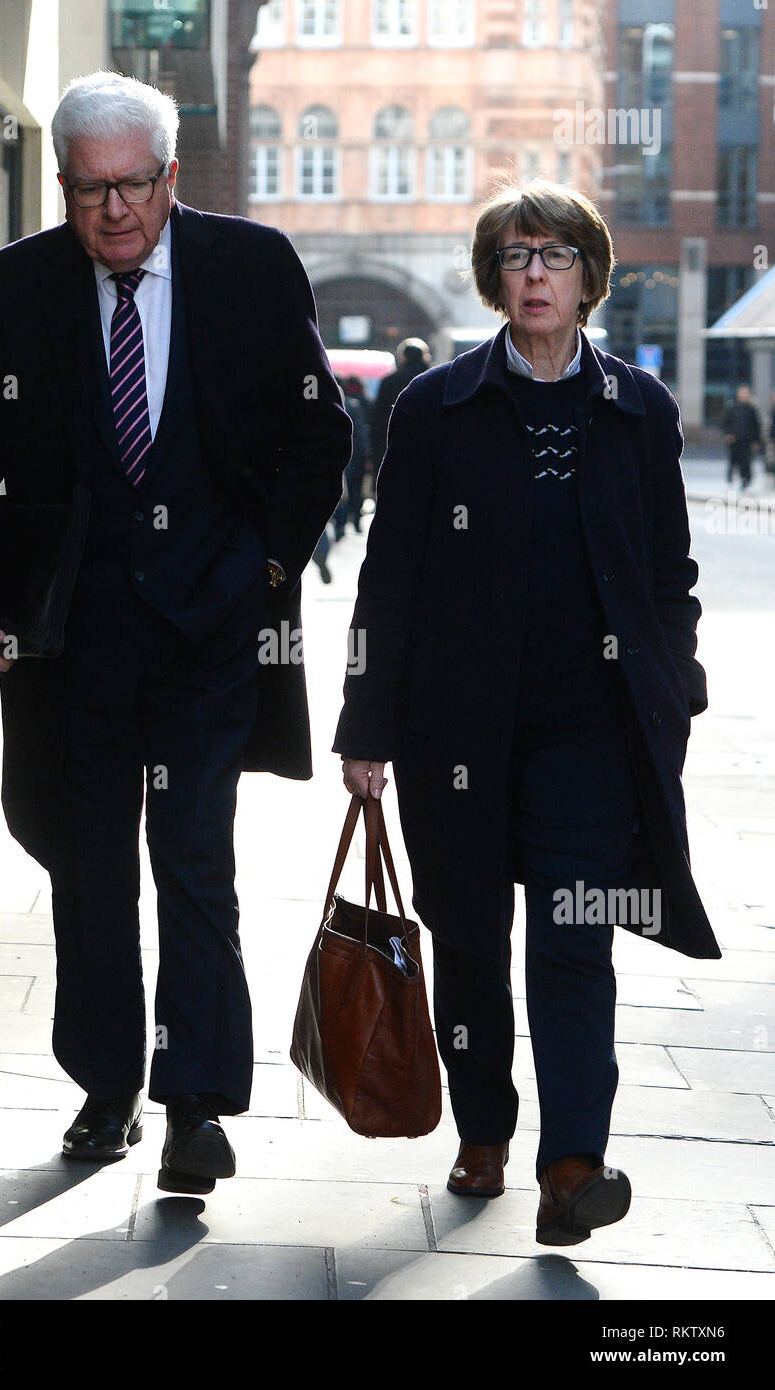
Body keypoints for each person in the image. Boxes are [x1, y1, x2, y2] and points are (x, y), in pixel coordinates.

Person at [0, 71, 351, 1196]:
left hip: (209, 632)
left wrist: (260, 569)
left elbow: (318, 437)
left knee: (196, 865)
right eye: (87, 189)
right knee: (89, 869)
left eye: (133, 187)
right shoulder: (12, 289)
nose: (113, 212)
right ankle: (107, 1082)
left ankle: (196, 1104)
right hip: (66, 641)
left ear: (170, 176)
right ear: (62, 182)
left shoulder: (249, 269)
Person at [334, 180, 719, 1246]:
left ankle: (570, 1167)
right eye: (514, 255)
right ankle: (485, 1129)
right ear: (492, 277)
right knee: (464, 941)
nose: (534, 273)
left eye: (554, 255)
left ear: (590, 277)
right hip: (454, 729)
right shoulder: (436, 406)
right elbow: (389, 577)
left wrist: (670, 676)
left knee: (571, 940)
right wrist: (365, 728)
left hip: (589, 734)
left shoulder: (637, 410)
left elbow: (666, 571)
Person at [371, 338, 431, 466]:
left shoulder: (389, 381)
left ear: (402, 357)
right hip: (427, 443)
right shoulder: (435, 380)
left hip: (395, 442)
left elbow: (379, 417)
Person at [332, 375, 371, 539]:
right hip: (351, 454)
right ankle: (345, 524)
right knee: (347, 490)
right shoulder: (353, 405)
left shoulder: (326, 402)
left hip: (332, 453)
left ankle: (338, 523)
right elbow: (360, 433)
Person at [723, 384, 761, 490]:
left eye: (746, 393)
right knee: (733, 461)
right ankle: (730, 480)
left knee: (746, 462)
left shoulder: (752, 409)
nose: (744, 395)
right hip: (734, 440)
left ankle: (745, 481)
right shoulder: (731, 407)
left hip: (747, 440)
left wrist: (756, 441)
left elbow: (756, 426)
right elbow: (726, 423)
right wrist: (728, 434)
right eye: (742, 392)